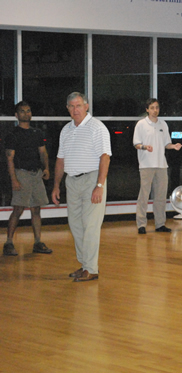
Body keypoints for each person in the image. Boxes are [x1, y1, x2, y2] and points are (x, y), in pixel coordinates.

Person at [51, 92, 111, 282]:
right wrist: (56, 186)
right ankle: (85, 264)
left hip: (92, 180)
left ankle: (91, 269)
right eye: (71, 106)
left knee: (91, 226)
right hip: (72, 181)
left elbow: (105, 157)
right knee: (76, 226)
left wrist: (99, 185)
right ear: (67, 109)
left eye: (78, 106)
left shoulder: (97, 128)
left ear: (86, 106)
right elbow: (60, 159)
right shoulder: (66, 130)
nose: (75, 110)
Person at [3, 101, 52, 256]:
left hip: (36, 174)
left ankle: (38, 242)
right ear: (16, 115)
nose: (26, 113)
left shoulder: (37, 133)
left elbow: (43, 153)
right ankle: (9, 243)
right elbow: (10, 158)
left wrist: (46, 168)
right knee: (18, 209)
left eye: (28, 111)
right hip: (21, 173)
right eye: (22, 111)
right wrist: (14, 180)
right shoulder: (12, 135)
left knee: (36, 209)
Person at [133, 98, 182, 234]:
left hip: (161, 165)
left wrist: (174, 146)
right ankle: (141, 224)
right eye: (152, 108)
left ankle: (160, 224)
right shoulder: (141, 124)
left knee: (160, 197)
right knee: (144, 196)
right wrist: (144, 147)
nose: (155, 110)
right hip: (146, 165)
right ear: (147, 109)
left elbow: (166, 143)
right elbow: (136, 144)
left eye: (157, 107)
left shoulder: (163, 124)